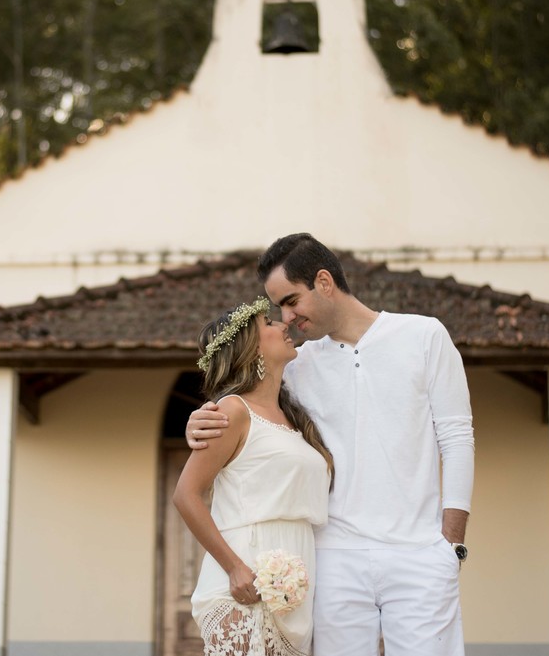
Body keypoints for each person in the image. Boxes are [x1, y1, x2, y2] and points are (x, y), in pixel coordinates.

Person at [187, 234, 475, 656]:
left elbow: (457, 438)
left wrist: (451, 545)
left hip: (420, 553)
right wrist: (200, 421)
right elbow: (248, 407)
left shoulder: (424, 336)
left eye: (290, 301)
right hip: (333, 559)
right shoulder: (297, 365)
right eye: (278, 308)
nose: (286, 318)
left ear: (324, 282)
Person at [173, 296, 334, 656]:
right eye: (270, 323)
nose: (284, 324)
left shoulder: (294, 418)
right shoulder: (233, 411)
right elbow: (186, 495)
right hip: (245, 579)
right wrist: (234, 568)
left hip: (296, 581)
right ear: (251, 348)